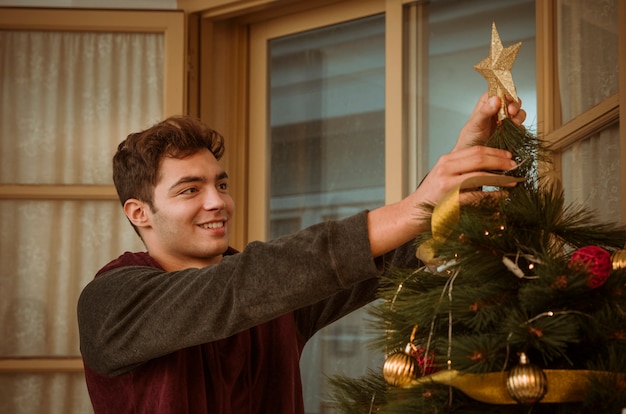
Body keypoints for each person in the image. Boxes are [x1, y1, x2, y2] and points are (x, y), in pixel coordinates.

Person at [77, 93, 526, 413]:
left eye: (221, 184)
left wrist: (463, 171)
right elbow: (239, 287)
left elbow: (383, 257)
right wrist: (411, 209)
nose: (218, 202)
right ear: (139, 212)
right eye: (190, 189)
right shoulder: (111, 303)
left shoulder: (275, 293)